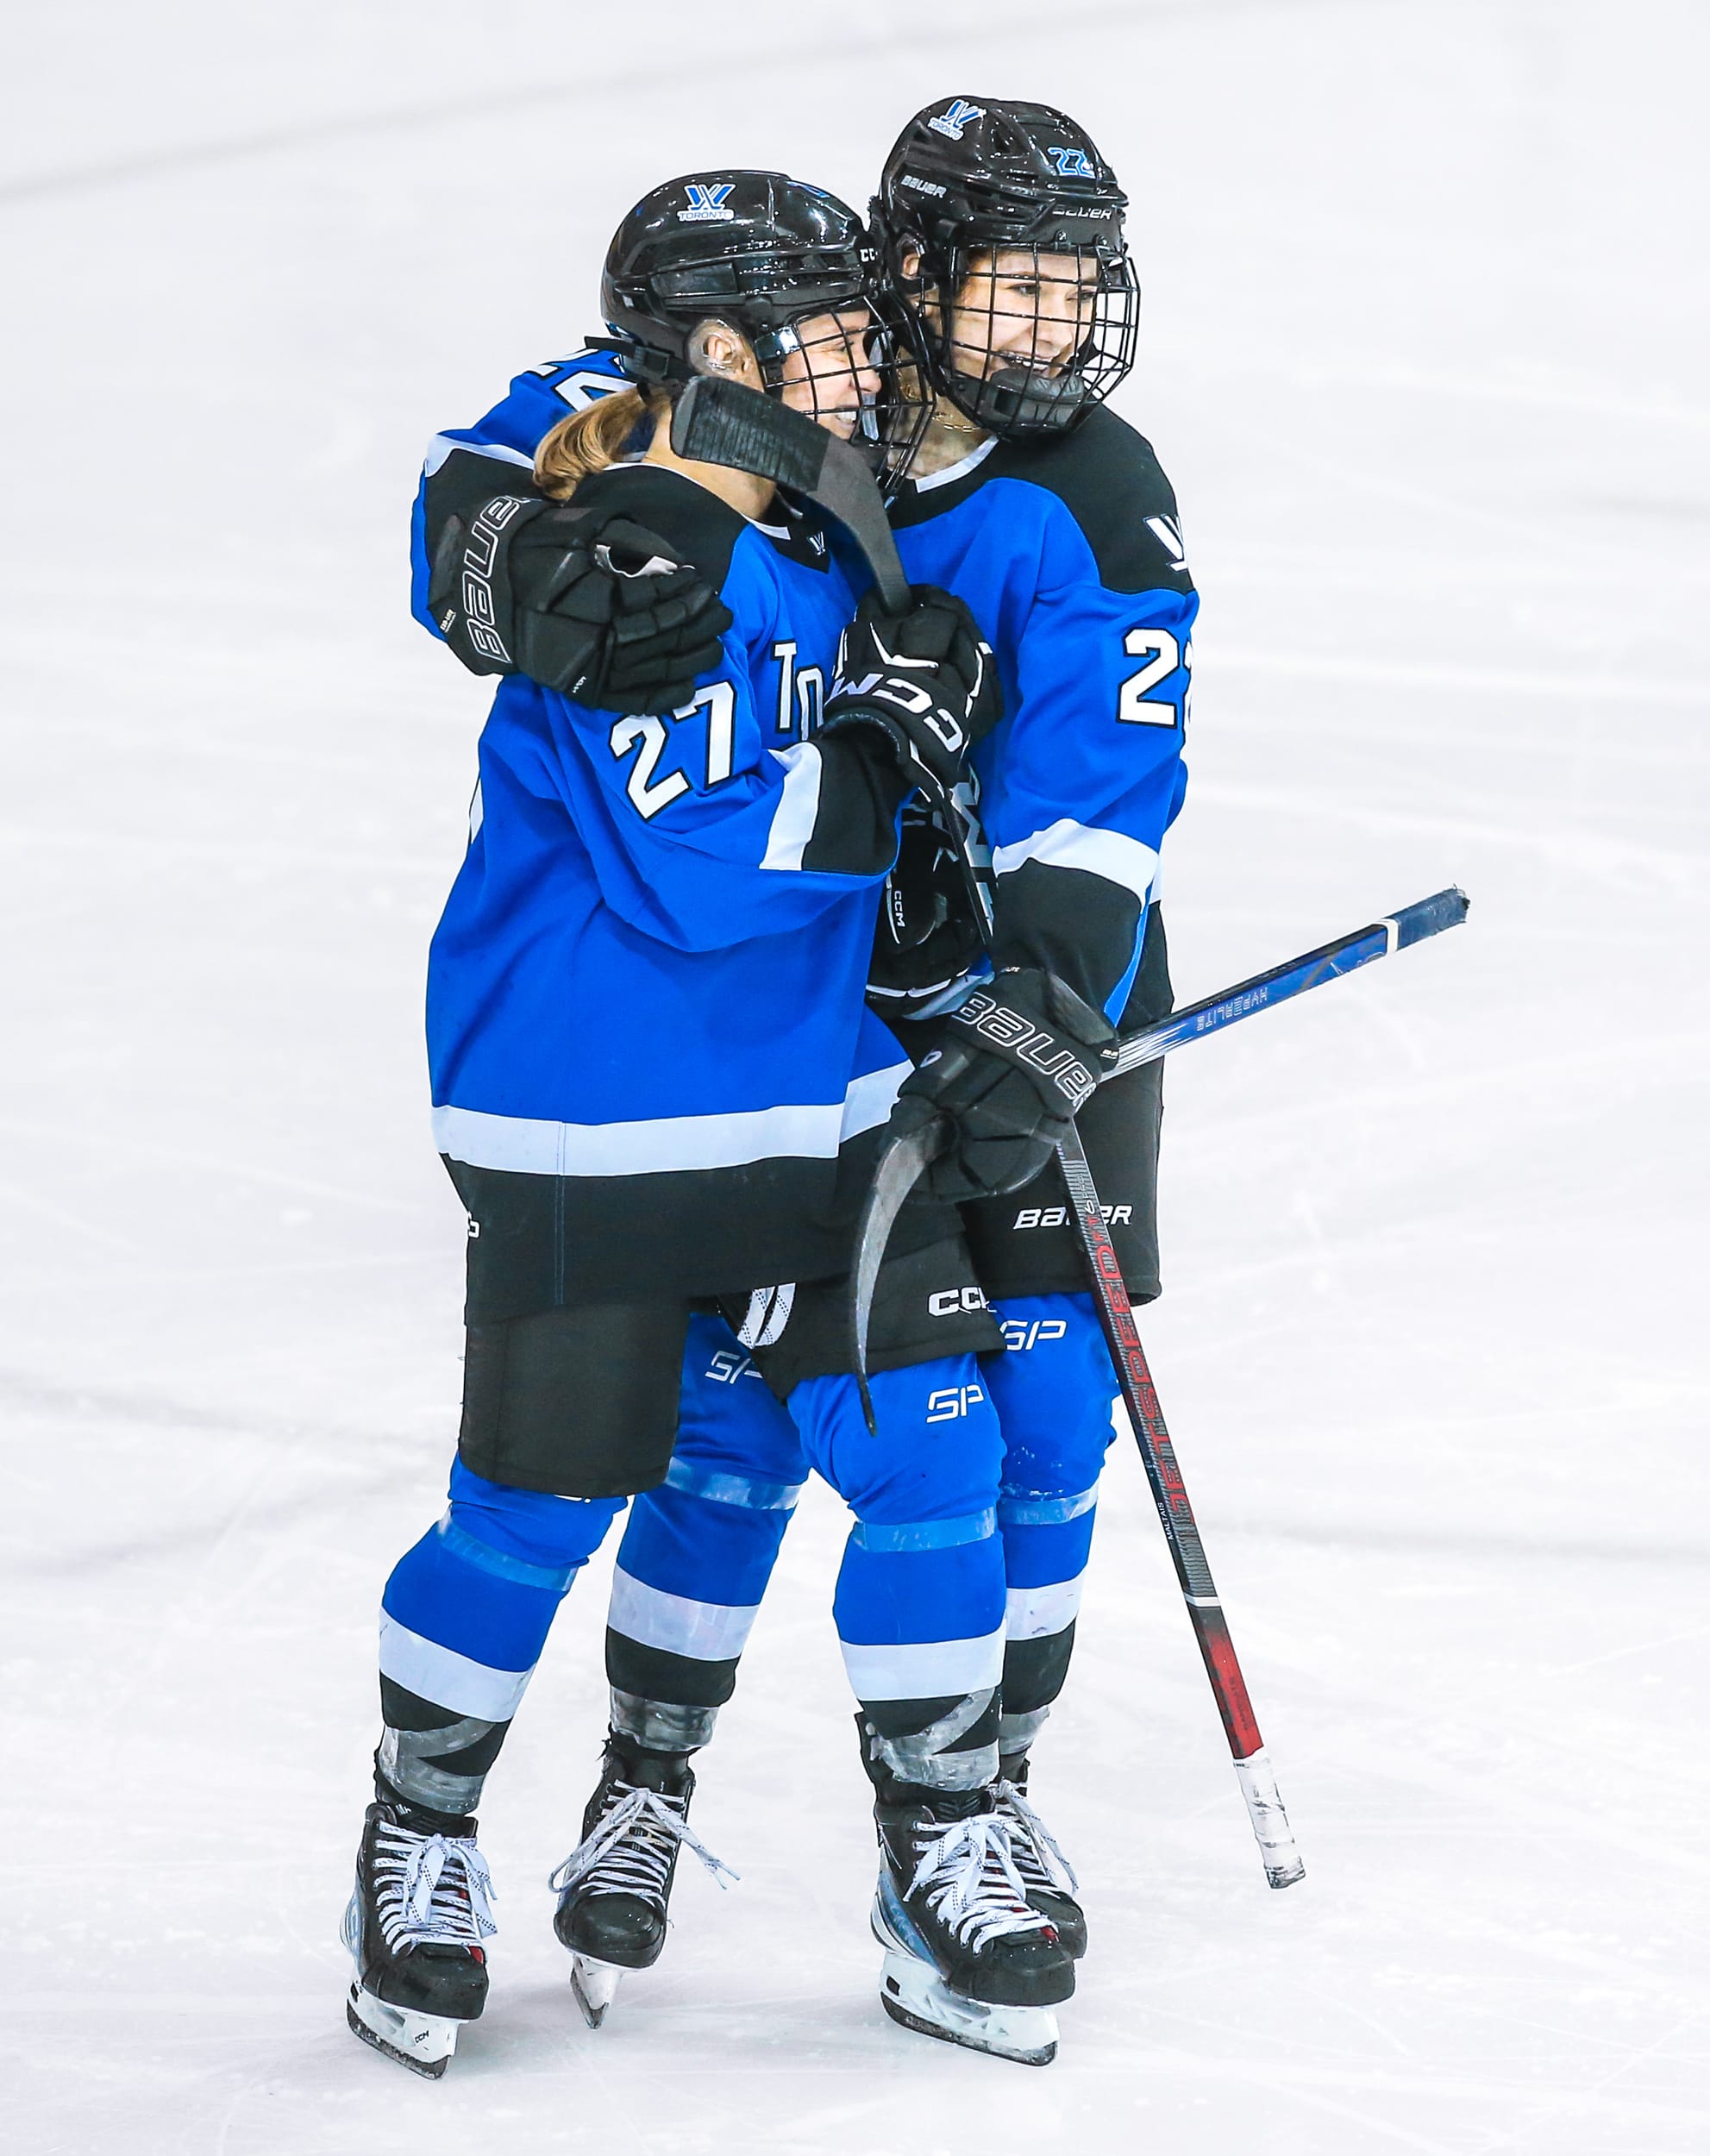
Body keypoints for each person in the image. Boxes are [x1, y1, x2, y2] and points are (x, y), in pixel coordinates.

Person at [347, 167, 1013, 2079]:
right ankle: (419, 1826)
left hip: (823, 1108)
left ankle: (922, 1834)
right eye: (813, 332)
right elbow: (711, 869)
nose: (856, 364)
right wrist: (889, 764)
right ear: (713, 346)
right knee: (538, 1509)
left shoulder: (819, 491)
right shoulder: (630, 510)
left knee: (919, 1461)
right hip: (600, 1106)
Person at [553, 100, 1198, 2063]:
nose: (1056, 327)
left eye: (1078, 284)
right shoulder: (785, 436)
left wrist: (1046, 999)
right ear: (903, 279)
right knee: (736, 1415)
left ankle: (972, 1808)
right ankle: (642, 1782)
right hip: (817, 1013)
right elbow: (572, 418)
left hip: (1043, 1011)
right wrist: (483, 511)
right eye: (1012, 281)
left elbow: (1108, 778)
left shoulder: (1092, 487)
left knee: (1048, 1399)